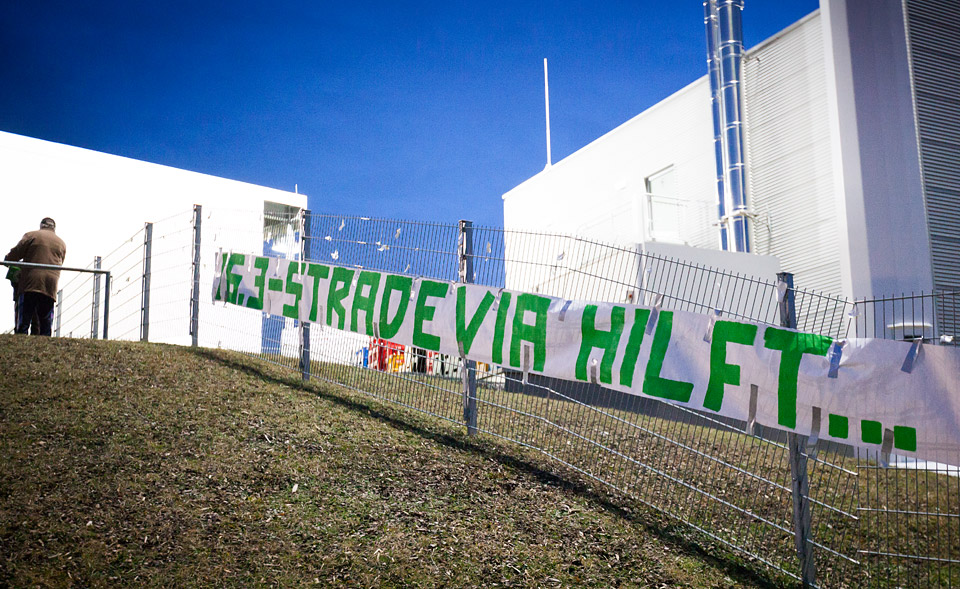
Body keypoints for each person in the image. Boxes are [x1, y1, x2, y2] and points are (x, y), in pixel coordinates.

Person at [5, 217, 67, 336]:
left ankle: (21, 340)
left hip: (30, 282)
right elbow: (61, 261)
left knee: (24, 320)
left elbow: (16, 253)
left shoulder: (31, 236)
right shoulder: (61, 243)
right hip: (50, 285)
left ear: (41, 226)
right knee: (45, 321)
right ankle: (45, 343)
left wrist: (7, 259)